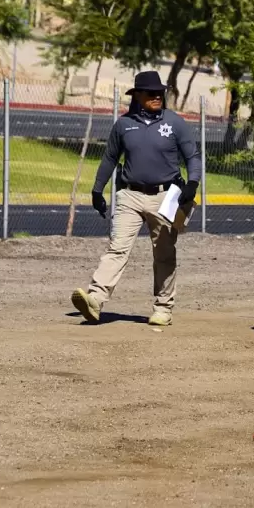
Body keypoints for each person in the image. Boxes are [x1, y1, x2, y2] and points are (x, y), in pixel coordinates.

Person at [71, 70, 202, 326]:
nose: (156, 96)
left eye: (160, 93)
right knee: (116, 248)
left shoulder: (175, 123)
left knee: (164, 253)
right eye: (150, 93)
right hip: (129, 195)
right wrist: (98, 189)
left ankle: (163, 308)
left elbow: (193, 157)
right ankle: (95, 300)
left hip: (165, 197)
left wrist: (193, 182)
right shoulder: (123, 125)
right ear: (138, 95)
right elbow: (110, 157)